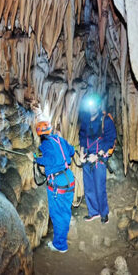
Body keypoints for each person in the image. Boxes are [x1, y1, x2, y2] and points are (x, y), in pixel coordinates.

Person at [27, 121, 75, 253]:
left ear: (39, 135)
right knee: (65, 210)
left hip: (57, 183)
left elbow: (50, 160)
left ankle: (60, 245)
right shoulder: (59, 139)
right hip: (69, 178)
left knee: (57, 214)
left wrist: (35, 159)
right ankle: (62, 236)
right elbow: (72, 150)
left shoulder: (46, 144)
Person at [79, 94, 116, 224]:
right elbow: (82, 135)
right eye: (90, 106)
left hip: (99, 157)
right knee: (88, 186)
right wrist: (82, 151)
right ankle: (93, 212)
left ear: (99, 106)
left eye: (94, 106)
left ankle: (104, 213)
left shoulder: (105, 120)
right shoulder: (85, 119)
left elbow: (110, 138)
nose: (92, 108)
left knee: (100, 186)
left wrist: (99, 154)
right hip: (88, 156)